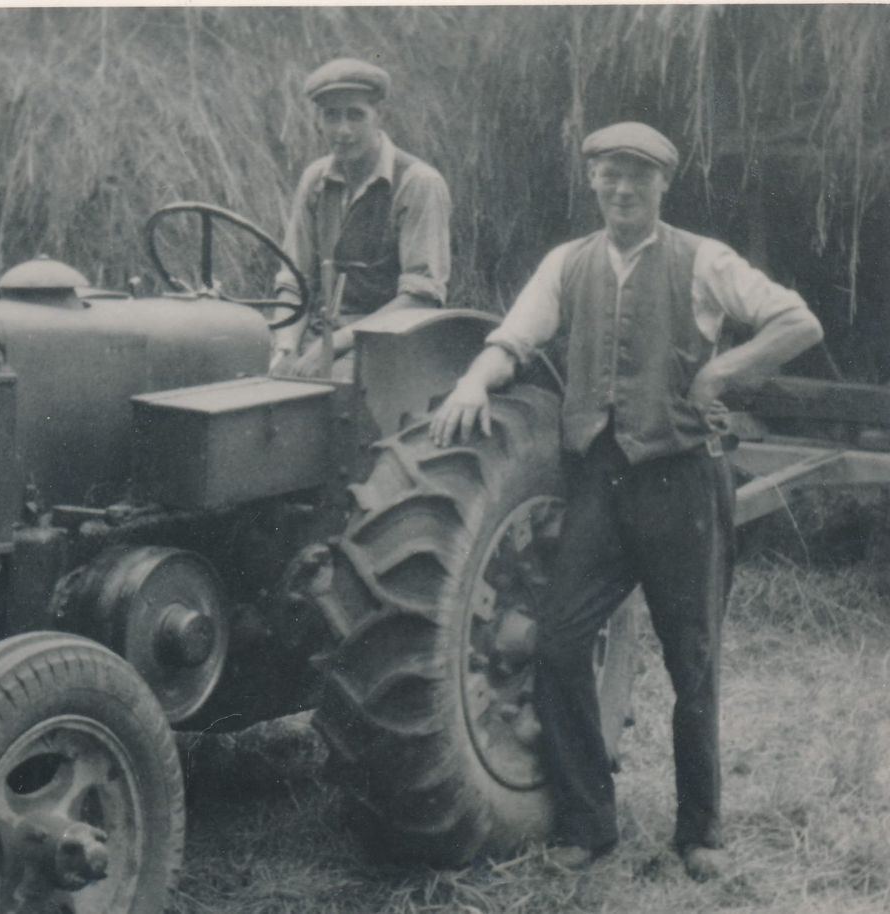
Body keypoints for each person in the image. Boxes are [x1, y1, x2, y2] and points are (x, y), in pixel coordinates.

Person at [429, 122, 823, 880]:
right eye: (608, 176)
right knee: (558, 643)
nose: (620, 190)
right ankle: (587, 822)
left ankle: (701, 832)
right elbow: (511, 339)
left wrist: (719, 376)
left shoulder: (702, 260)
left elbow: (797, 321)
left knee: (693, 660)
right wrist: (475, 379)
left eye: (635, 178)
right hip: (601, 482)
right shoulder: (566, 263)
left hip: (682, 482)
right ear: (594, 183)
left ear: (660, 186)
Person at [270, 58, 452, 378]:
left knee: (329, 395)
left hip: (390, 343)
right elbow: (293, 281)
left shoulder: (417, 183)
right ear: (318, 121)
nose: (343, 131)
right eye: (331, 116)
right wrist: (283, 349)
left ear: (380, 117)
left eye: (355, 115)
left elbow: (421, 297)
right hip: (318, 337)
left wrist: (333, 345)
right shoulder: (315, 180)